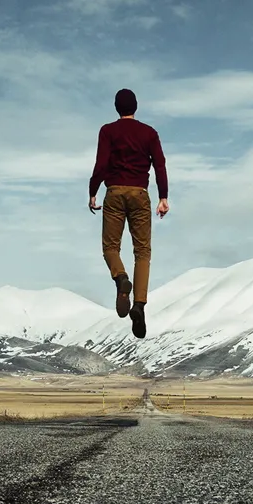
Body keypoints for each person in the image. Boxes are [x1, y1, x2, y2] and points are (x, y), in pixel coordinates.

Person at [89, 88, 169, 339]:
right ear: (135, 107)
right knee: (142, 252)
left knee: (110, 247)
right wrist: (163, 197)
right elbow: (160, 164)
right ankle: (139, 306)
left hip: (114, 192)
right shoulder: (149, 133)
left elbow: (101, 164)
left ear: (116, 108)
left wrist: (93, 192)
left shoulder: (107, 131)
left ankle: (121, 277)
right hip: (140, 194)